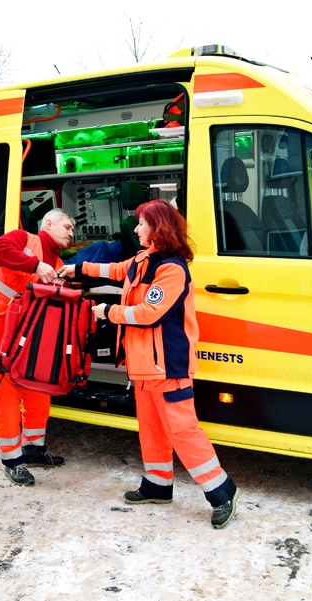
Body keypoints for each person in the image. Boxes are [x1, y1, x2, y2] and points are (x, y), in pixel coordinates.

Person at [58, 200, 240, 529]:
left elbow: (147, 314)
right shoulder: (143, 259)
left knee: (183, 431)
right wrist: (78, 269)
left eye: (142, 223)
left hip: (167, 367)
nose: (137, 229)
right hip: (144, 366)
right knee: (152, 429)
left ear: (158, 228)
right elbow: (117, 270)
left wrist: (107, 313)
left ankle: (222, 490)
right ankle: (157, 484)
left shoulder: (171, 269)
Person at [0, 208, 75, 486]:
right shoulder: (23, 239)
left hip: (30, 347)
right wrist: (34, 266)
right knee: (4, 400)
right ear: (49, 223)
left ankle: (33, 449)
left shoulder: (59, 263)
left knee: (37, 397)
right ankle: (12, 461)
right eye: (67, 226)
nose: (71, 233)